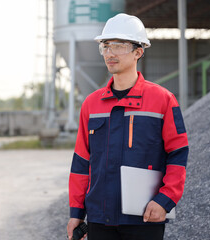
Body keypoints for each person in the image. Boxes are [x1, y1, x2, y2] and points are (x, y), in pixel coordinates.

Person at [66, 13, 189, 240]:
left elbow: (178, 154)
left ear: (138, 52)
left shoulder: (163, 100)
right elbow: (81, 162)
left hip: (144, 217)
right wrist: (76, 212)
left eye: (119, 45)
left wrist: (165, 200)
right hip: (99, 218)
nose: (110, 53)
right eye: (106, 45)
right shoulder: (91, 104)